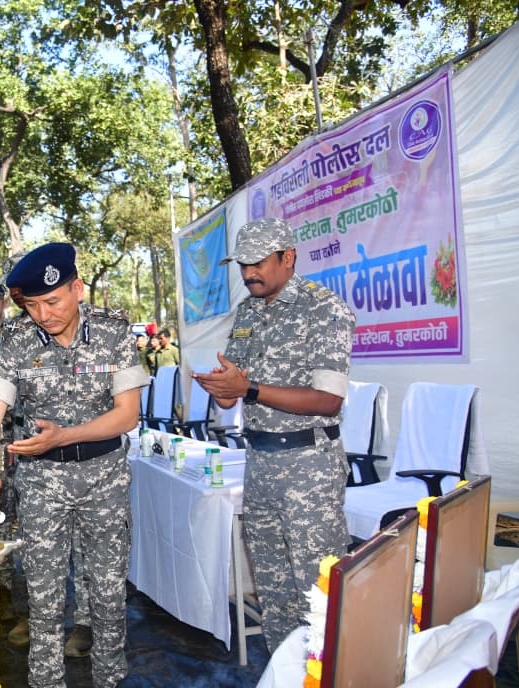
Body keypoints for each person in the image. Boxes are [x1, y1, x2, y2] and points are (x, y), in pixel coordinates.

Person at [0, 243, 147, 688]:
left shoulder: (114, 331)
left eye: (52, 301)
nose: (43, 314)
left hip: (104, 478)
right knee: (45, 600)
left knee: (107, 596)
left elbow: (127, 414)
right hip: (42, 482)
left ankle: (110, 679)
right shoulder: (14, 340)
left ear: (77, 288)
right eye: (32, 305)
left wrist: (65, 435)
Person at [193, 218, 356, 653]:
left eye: (258, 263)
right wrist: (224, 387)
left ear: (288, 258)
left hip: (310, 470)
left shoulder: (325, 309)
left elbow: (328, 400)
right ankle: (286, 672)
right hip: (260, 463)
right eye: (243, 264)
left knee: (319, 592)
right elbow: (235, 390)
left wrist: (247, 388)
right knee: (273, 588)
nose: (248, 273)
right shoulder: (248, 311)